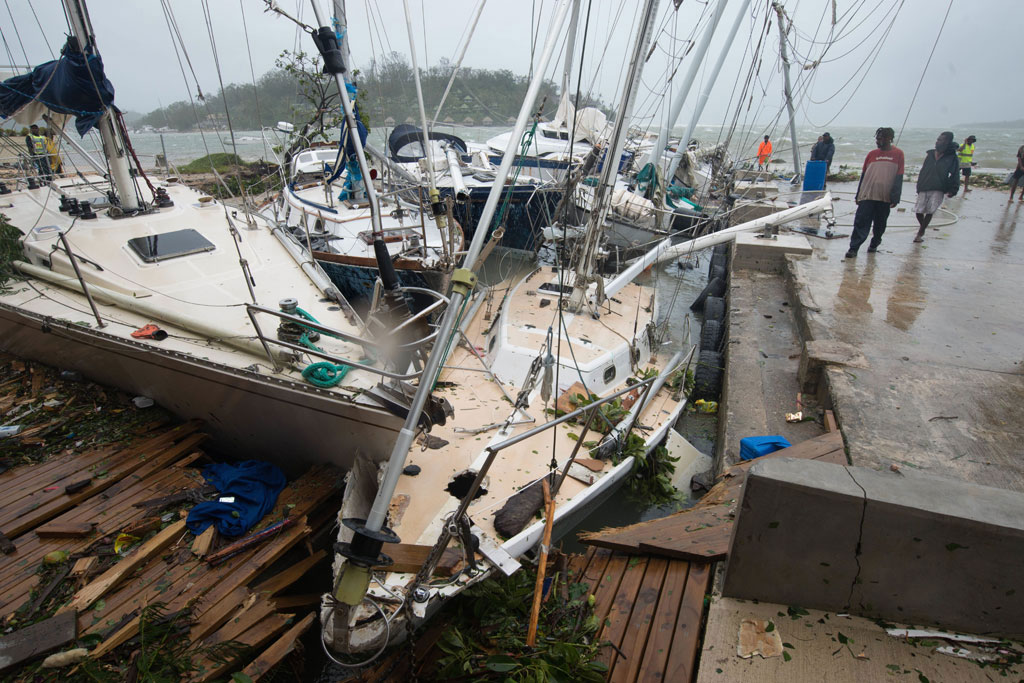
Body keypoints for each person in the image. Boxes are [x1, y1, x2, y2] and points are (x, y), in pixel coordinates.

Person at [845, 127, 904, 259]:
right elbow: (864, 174)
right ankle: (853, 248)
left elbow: (899, 176)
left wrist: (895, 197)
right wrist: (858, 194)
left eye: (881, 138)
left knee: (880, 223)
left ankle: (875, 243)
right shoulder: (872, 154)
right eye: (877, 138)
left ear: (890, 138)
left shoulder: (898, 154)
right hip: (867, 194)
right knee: (861, 222)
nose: (878, 141)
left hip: (885, 197)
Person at [913, 131, 959, 244]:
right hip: (925, 185)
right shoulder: (930, 154)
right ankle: (923, 227)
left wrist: (953, 189)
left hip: (939, 187)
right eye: (937, 139)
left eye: (940, 140)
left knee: (930, 210)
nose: (937, 142)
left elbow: (955, 174)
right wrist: (919, 186)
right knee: (918, 210)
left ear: (947, 142)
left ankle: (920, 232)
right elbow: (923, 171)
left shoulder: (952, 157)